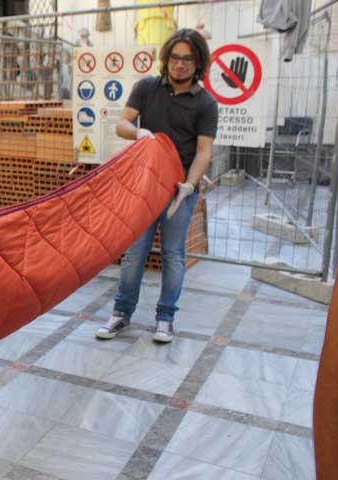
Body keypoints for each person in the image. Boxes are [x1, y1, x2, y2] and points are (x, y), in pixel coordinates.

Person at [95, 28, 218, 343]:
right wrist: (138, 133)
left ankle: (165, 320)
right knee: (135, 252)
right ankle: (121, 315)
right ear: (167, 59)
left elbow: (204, 151)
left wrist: (189, 187)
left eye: (188, 59)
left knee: (173, 254)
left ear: (198, 62)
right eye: (175, 57)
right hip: (144, 187)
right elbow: (123, 123)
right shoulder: (147, 87)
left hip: (180, 189)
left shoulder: (205, 103)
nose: (180, 64)